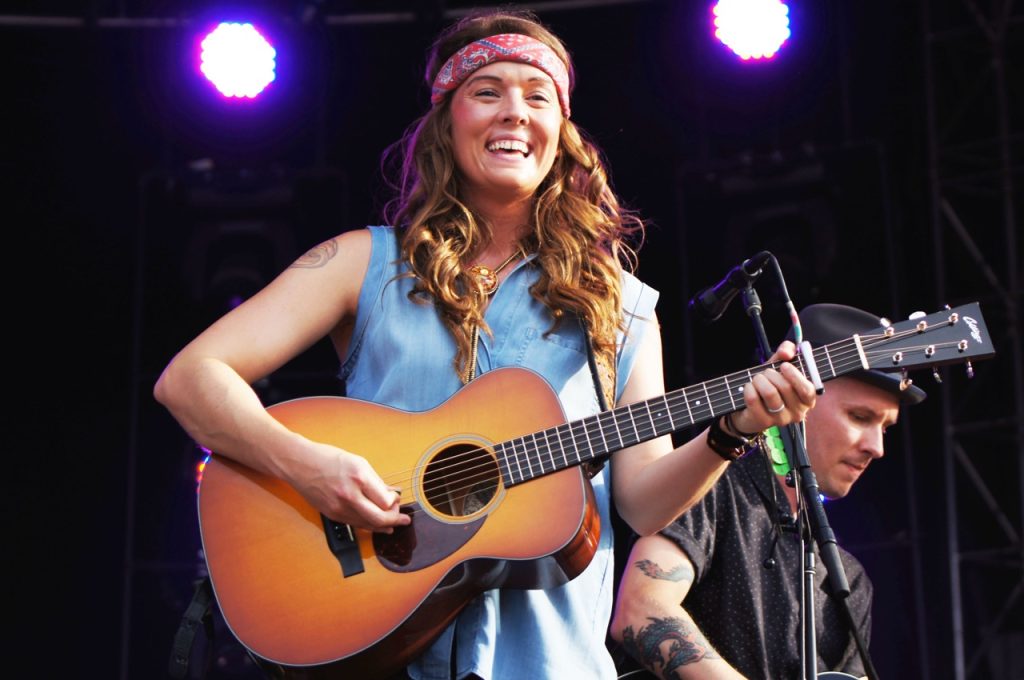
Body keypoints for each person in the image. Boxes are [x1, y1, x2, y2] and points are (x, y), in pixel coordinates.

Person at [153, 10, 816, 680]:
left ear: (562, 133)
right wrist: (309, 469)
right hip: (378, 653)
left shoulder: (620, 302)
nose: (514, 113)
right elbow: (191, 378)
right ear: (447, 121)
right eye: (487, 91)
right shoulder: (363, 265)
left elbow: (641, 499)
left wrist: (735, 429)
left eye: (537, 96)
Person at [609, 303, 927, 679]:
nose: (877, 447)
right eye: (860, 417)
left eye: (885, 428)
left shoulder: (849, 581)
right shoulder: (709, 485)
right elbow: (641, 610)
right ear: (799, 397)